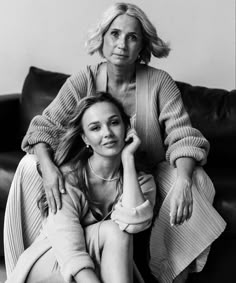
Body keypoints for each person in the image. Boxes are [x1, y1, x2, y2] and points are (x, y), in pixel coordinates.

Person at [4, 2, 226, 283]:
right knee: (29, 163)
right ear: (102, 39)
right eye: (115, 34)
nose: (122, 44)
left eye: (132, 37)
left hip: (149, 168)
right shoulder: (83, 80)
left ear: (142, 46)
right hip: (94, 167)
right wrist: (48, 169)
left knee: (197, 180)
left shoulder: (160, 82)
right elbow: (43, 129)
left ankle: (170, 271)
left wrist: (182, 179)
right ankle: (38, 256)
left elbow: (182, 137)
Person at [5, 92, 156, 283]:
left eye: (114, 123)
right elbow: (70, 252)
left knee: (118, 232)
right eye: (95, 128)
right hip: (52, 260)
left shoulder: (142, 181)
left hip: (96, 262)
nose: (107, 133)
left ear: (127, 128)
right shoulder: (69, 177)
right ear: (85, 138)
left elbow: (134, 225)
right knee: (113, 232)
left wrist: (128, 159)